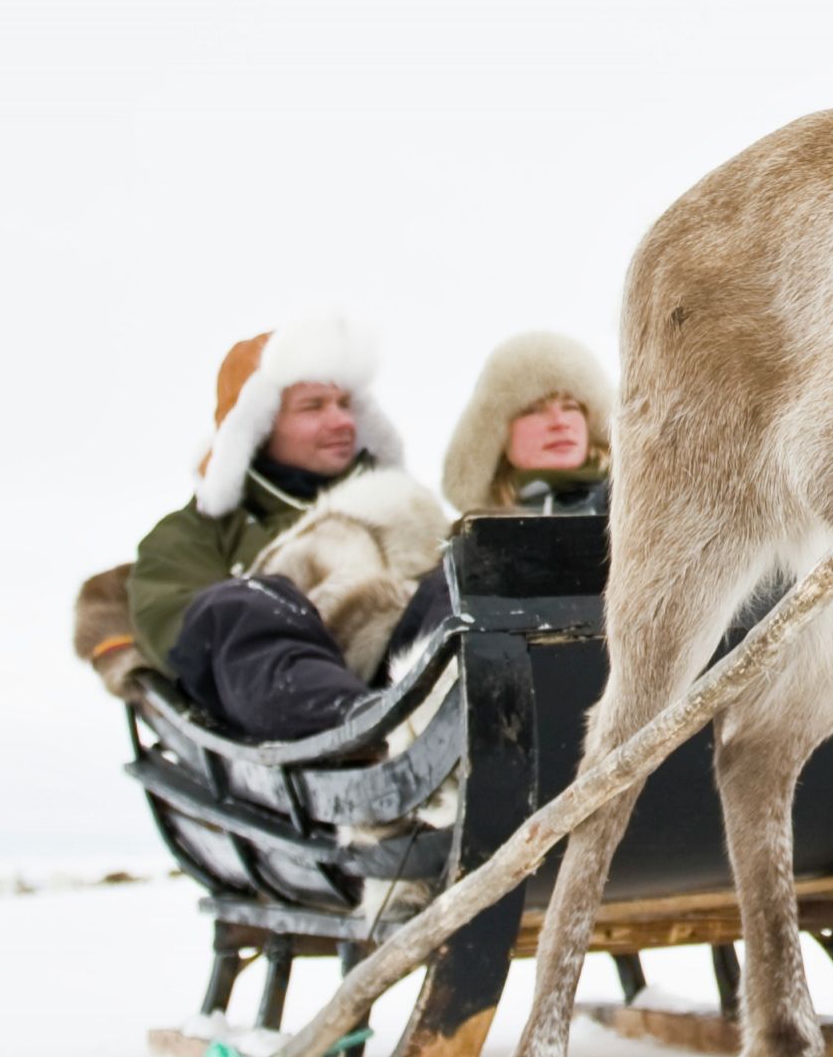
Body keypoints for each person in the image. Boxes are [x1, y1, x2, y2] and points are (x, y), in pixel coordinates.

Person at [106, 310, 452, 742]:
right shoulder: (190, 536)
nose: (342, 422)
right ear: (257, 425)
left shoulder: (403, 510)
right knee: (239, 604)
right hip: (287, 708)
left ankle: (473, 719)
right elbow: (183, 638)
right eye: (313, 407)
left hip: (400, 672)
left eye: (346, 404)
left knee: (465, 579)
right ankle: (352, 726)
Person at [433, 329, 617, 517]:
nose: (560, 422)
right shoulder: (471, 539)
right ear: (499, 438)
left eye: (570, 407)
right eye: (534, 410)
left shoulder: (642, 516)